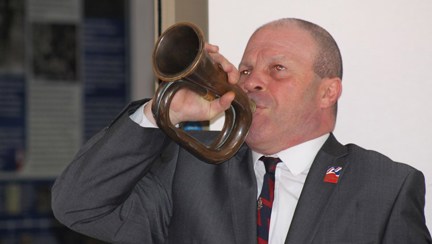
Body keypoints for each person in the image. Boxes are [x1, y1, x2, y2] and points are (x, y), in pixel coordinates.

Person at [51, 18, 431, 243]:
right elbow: (78, 206)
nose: (252, 83)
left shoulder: (387, 186)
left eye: (277, 69)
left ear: (327, 91)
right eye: (246, 71)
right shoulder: (189, 171)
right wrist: (160, 111)